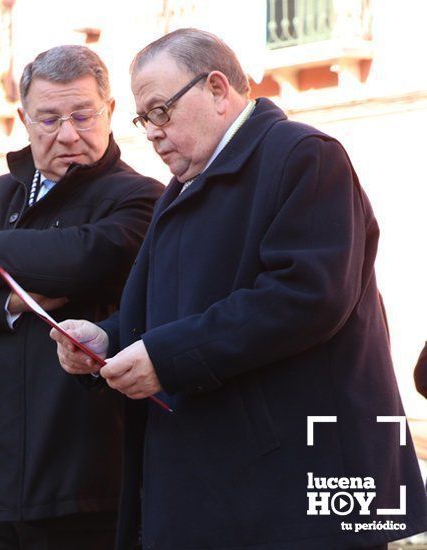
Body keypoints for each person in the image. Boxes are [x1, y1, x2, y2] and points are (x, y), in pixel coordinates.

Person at [51, 29, 427, 548]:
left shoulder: (305, 156)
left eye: (161, 111)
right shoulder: (186, 185)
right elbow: (173, 310)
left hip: (301, 493)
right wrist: (107, 340)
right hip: (222, 487)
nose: (153, 133)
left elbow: (306, 297)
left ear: (218, 89)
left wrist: (165, 356)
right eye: (144, 120)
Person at [0, 45, 162, 548]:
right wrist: (5, 304)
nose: (68, 134)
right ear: (24, 120)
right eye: (49, 119)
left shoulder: (140, 196)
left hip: (79, 478)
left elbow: (85, 258)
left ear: (110, 112)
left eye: (82, 114)